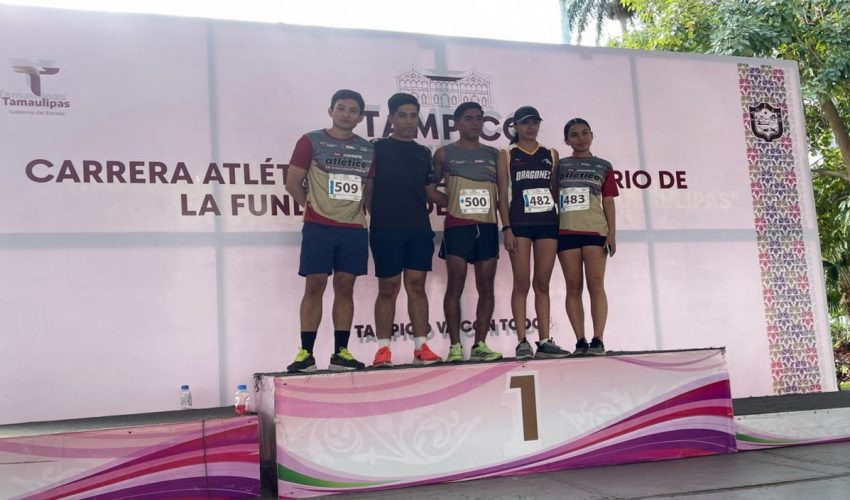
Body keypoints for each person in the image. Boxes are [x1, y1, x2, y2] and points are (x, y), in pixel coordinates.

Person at [284, 89, 374, 372]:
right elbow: (292, 183)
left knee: (345, 287)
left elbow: (368, 189)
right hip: (319, 227)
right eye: (341, 108)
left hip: (354, 229)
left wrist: (365, 214)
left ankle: (341, 353)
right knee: (314, 285)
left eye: (352, 110)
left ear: (360, 118)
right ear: (331, 111)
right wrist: (311, 208)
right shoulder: (310, 140)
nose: (346, 114)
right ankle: (306, 354)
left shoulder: (368, 149)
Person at [365, 93, 447, 367]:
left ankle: (421, 346)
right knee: (388, 287)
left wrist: (459, 202)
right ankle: (383, 349)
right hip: (385, 228)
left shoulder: (423, 152)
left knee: (416, 286)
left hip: (418, 229)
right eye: (402, 115)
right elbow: (369, 191)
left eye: (413, 116)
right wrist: (375, 217)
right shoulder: (376, 148)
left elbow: (429, 192)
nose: (409, 121)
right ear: (391, 118)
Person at [496, 106, 571, 360]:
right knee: (521, 283)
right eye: (525, 123)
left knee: (543, 284)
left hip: (547, 223)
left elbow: (556, 190)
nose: (530, 127)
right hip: (519, 224)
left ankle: (545, 340)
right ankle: (521, 341)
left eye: (535, 122)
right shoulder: (506, 154)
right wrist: (506, 228)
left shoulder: (551, 154)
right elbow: (502, 196)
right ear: (515, 127)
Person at [433, 102, 503, 363]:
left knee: (487, 288)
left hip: (486, 228)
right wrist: (451, 203)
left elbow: (502, 195)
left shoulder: (494, 154)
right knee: (455, 286)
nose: (474, 123)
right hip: (457, 227)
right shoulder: (443, 154)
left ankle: (480, 344)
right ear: (457, 122)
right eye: (468, 118)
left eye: (478, 118)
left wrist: (506, 225)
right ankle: (454, 347)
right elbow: (428, 188)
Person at [555, 118, 618, 355]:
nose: (580, 139)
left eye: (584, 133)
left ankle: (598, 339)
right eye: (574, 135)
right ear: (567, 140)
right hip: (566, 231)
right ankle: (580, 340)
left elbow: (608, 201)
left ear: (592, 135)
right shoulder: (559, 166)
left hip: (595, 231)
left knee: (596, 284)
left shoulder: (603, 165)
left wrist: (612, 233)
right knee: (573, 287)